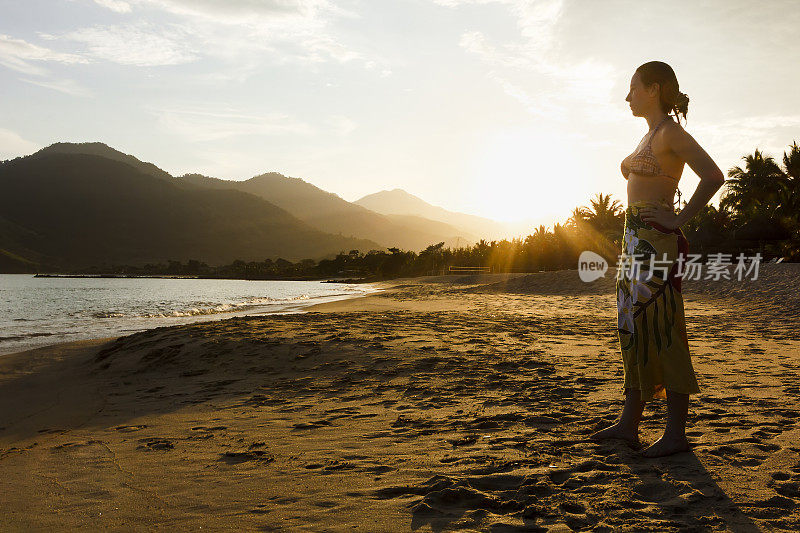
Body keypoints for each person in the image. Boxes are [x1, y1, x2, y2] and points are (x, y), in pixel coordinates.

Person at [589, 61, 726, 458]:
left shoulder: (671, 132)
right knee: (633, 331)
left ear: (653, 88)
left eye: (633, 88)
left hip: (658, 245)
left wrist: (678, 218)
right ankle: (629, 425)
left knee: (664, 331)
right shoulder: (649, 134)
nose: (627, 96)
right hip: (634, 245)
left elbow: (714, 175)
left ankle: (675, 434)